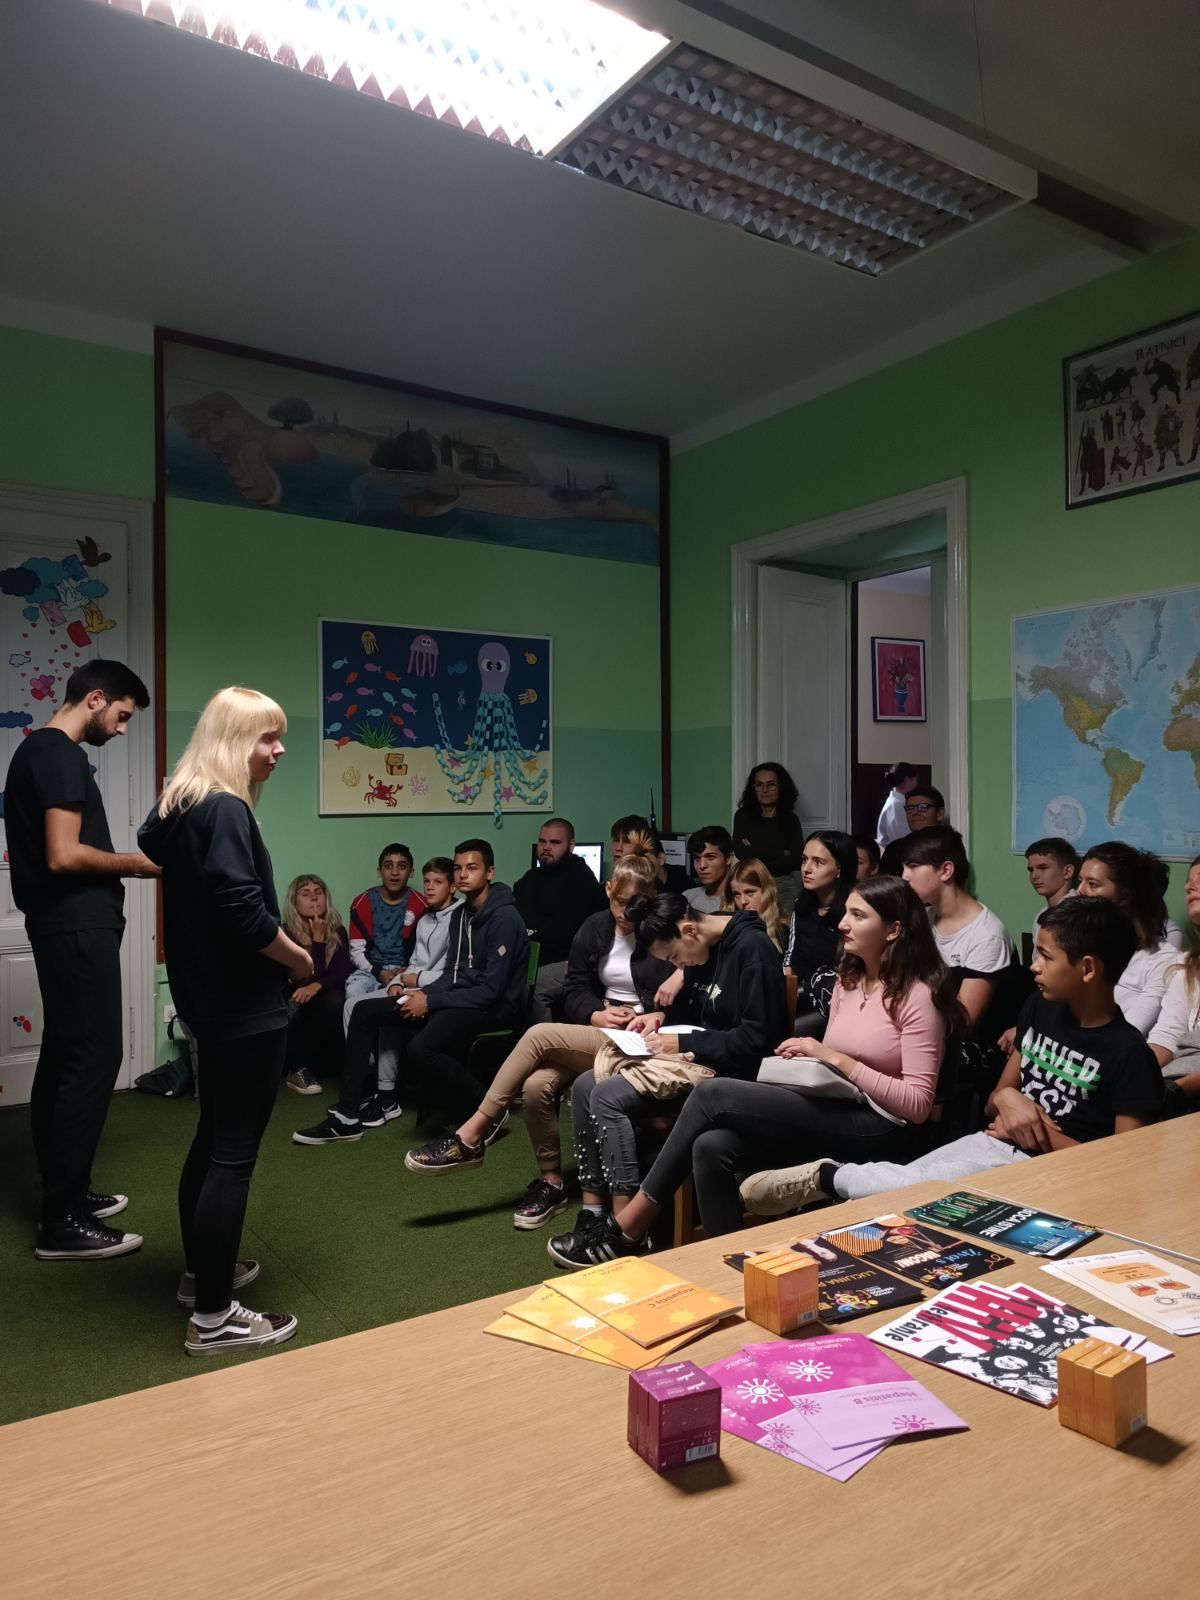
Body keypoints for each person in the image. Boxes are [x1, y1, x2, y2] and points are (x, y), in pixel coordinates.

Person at [588, 875, 959, 1251]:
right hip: (834, 1101)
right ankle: (729, 1262)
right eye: (846, 912)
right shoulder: (848, 980)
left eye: (858, 916)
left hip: (879, 1124)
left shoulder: (918, 996)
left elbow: (917, 1106)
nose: (843, 923)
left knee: (711, 1094)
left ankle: (630, 1226)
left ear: (893, 930)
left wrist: (834, 1058)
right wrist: (809, 1054)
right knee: (711, 1146)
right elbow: (835, 1063)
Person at [752, 896, 1163, 1208]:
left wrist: (1036, 1131)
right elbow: (996, 1098)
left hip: (1053, 1173)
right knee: (902, 1185)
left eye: (1046, 956)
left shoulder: (1128, 1054)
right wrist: (1010, 1101)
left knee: (907, 1193)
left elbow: (1121, 1167)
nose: (1034, 966)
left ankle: (828, 1177)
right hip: (994, 1142)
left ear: (1087, 968)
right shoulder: (1041, 1008)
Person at [139, 685, 312, 1354]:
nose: (279, 749)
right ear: (234, 742)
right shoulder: (226, 808)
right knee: (233, 1156)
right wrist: (299, 958)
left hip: (207, 1003)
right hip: (245, 1009)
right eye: (268, 737)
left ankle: (202, 1275)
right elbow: (244, 912)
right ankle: (214, 1316)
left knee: (212, 1140)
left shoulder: (179, 806)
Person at [402, 834, 675, 1227]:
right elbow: (576, 986)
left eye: (636, 904)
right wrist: (596, 1013)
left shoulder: (661, 932)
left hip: (641, 1038)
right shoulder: (595, 927)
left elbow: (680, 994)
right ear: (608, 890)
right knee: (534, 1087)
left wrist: (651, 1012)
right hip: (600, 1029)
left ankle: (473, 1134)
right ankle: (552, 1183)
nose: (625, 912)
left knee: (539, 1034)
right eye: (618, 901)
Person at [3, 659, 158, 1261]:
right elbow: (64, 856)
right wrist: (137, 864)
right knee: (95, 1057)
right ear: (95, 699)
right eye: (121, 715)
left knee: (66, 1053)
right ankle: (64, 1220)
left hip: (64, 926)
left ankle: (63, 1191)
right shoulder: (60, 755)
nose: (121, 729)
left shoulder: (35, 752)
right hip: (75, 926)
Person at [545, 890, 790, 1267]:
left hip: (731, 1073)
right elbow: (694, 1011)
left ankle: (624, 1228)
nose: (679, 966)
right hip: (693, 1061)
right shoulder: (703, 948)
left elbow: (760, 1041)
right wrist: (658, 1019)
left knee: (607, 1096)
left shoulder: (752, 949)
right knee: (583, 1086)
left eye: (674, 957)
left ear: (689, 930)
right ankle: (594, 1212)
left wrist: (684, 1041)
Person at [292, 840, 529, 1144]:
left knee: (420, 1048)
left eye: (472, 868)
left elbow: (492, 991)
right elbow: (452, 973)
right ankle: (347, 1116)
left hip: (493, 1008)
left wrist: (430, 1000)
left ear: (490, 872)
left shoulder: (505, 918)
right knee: (363, 1011)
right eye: (458, 868)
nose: (463, 874)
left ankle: (490, 1109)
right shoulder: (463, 915)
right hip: (460, 997)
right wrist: (419, 993)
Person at [358, 856, 459, 1124]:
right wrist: (396, 983)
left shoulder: (460, 918)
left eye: (437, 882)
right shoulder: (425, 919)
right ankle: (364, 1083)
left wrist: (416, 980)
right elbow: (412, 963)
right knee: (353, 1005)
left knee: (387, 1012)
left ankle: (386, 1096)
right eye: (427, 881)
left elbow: (454, 974)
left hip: (435, 991)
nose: (430, 887)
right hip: (412, 984)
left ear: (452, 886)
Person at [901, 825, 1016, 1041]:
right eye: (904, 867)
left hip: (971, 1046)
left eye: (913, 866)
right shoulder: (925, 917)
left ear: (946, 871)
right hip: (923, 1027)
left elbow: (961, 1024)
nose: (904, 876)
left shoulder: (987, 936)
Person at [1075, 841, 1179, 1036]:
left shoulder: (1163, 958)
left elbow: (1128, 1032)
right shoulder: (1084, 942)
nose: (1079, 890)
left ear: (1124, 896)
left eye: (1093, 884)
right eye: (1079, 881)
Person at [513, 816, 606, 1023]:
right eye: (542, 841)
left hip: (564, 961)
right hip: (530, 958)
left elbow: (570, 931)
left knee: (532, 988)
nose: (546, 848)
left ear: (570, 846)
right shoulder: (530, 878)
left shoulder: (582, 879)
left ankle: (545, 1041)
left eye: (555, 842)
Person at [281, 873, 351, 1095]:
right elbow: (305, 979)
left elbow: (342, 975)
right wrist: (318, 941)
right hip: (293, 1007)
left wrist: (317, 986)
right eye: (305, 893)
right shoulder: (285, 934)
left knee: (337, 998)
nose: (313, 898)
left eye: (318, 892)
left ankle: (303, 1066)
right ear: (294, 902)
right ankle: (295, 1068)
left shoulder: (337, 931)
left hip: (322, 1009)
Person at [1150, 855, 1200, 1111]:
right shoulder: (1186, 964)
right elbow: (1167, 1035)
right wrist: (1131, 1074)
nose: (1189, 887)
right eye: (1189, 881)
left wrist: (1178, 1088)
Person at [784, 829, 858, 1003]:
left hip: (843, 995)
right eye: (804, 860)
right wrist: (786, 973)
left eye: (818, 862)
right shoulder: (801, 903)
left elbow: (854, 968)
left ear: (839, 868)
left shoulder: (855, 908)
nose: (806, 869)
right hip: (802, 991)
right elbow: (792, 952)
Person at [732, 763, 805, 914]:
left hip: (783, 885)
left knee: (783, 927)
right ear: (753, 788)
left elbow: (796, 859)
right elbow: (742, 853)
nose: (764, 790)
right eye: (759, 785)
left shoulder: (790, 819)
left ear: (781, 787)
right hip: (751, 885)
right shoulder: (743, 816)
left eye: (771, 784)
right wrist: (781, 852)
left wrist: (755, 850)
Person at [1024, 836, 1079, 948]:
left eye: (1043, 868)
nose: (1034, 876)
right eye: (1031, 870)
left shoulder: (1077, 916)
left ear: (1067, 871)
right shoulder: (1042, 915)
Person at [729, 857, 789, 951]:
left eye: (749, 892)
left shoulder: (783, 932)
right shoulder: (729, 932)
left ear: (766, 891)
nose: (743, 901)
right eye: (737, 894)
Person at [684, 824, 734, 914]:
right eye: (697, 858)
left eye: (710, 857)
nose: (702, 865)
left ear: (728, 859)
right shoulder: (687, 898)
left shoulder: (742, 901)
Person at [875, 761, 918, 852]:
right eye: (915, 780)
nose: (916, 784)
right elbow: (903, 839)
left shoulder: (897, 803)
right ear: (907, 780)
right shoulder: (896, 806)